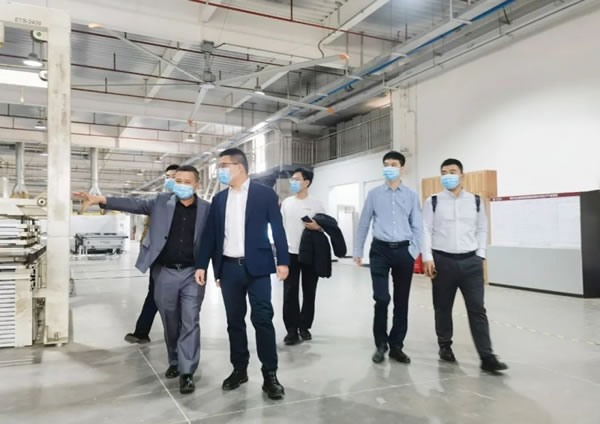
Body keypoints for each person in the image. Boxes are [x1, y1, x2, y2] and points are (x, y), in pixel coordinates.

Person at [74, 165, 210, 394]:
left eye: (187, 182)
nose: (182, 185)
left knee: (191, 319)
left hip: (191, 273)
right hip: (164, 272)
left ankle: (187, 371)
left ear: (197, 184)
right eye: (178, 181)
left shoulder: (207, 209)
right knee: (170, 320)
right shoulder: (160, 202)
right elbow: (132, 204)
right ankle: (175, 360)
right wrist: (101, 199)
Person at [195, 148, 289, 401]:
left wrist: (283, 261)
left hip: (258, 268)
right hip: (229, 269)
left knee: (263, 319)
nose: (220, 170)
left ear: (239, 166)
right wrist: (202, 265)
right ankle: (239, 369)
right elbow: (211, 236)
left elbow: (277, 228)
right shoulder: (219, 199)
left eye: (223, 165)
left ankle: (270, 374)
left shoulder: (264, 194)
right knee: (234, 322)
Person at [422, 158, 508, 373]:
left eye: (452, 171)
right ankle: (445, 346)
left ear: (462, 175)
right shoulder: (433, 201)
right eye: (444, 172)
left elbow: (482, 228)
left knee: (477, 308)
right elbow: (425, 229)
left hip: (471, 262)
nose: (448, 176)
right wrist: (428, 257)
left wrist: (480, 255)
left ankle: (487, 356)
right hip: (443, 261)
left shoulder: (475, 201)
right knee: (443, 307)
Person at [354, 151, 423, 365]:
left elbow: (418, 225)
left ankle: (396, 346)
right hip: (380, 251)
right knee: (381, 298)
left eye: (394, 164)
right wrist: (357, 250)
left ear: (402, 168)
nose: (389, 168)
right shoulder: (374, 194)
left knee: (401, 301)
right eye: (386, 164)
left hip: (404, 251)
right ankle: (380, 344)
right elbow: (364, 222)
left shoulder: (411, 195)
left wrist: (414, 251)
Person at [125, 164, 179, 345]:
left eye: (173, 176)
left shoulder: (192, 205)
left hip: (179, 262)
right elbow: (147, 223)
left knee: (174, 299)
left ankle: (176, 334)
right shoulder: (160, 202)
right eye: (167, 177)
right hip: (159, 259)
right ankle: (142, 331)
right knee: (154, 294)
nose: (170, 180)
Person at [280, 168, 325, 345]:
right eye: (292, 179)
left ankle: (304, 327)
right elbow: (280, 228)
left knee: (309, 291)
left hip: (310, 254)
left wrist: (317, 227)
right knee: (289, 292)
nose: (293, 182)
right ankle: (291, 330)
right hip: (290, 253)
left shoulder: (317, 204)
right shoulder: (286, 203)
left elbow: (325, 226)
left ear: (306, 182)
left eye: (296, 179)